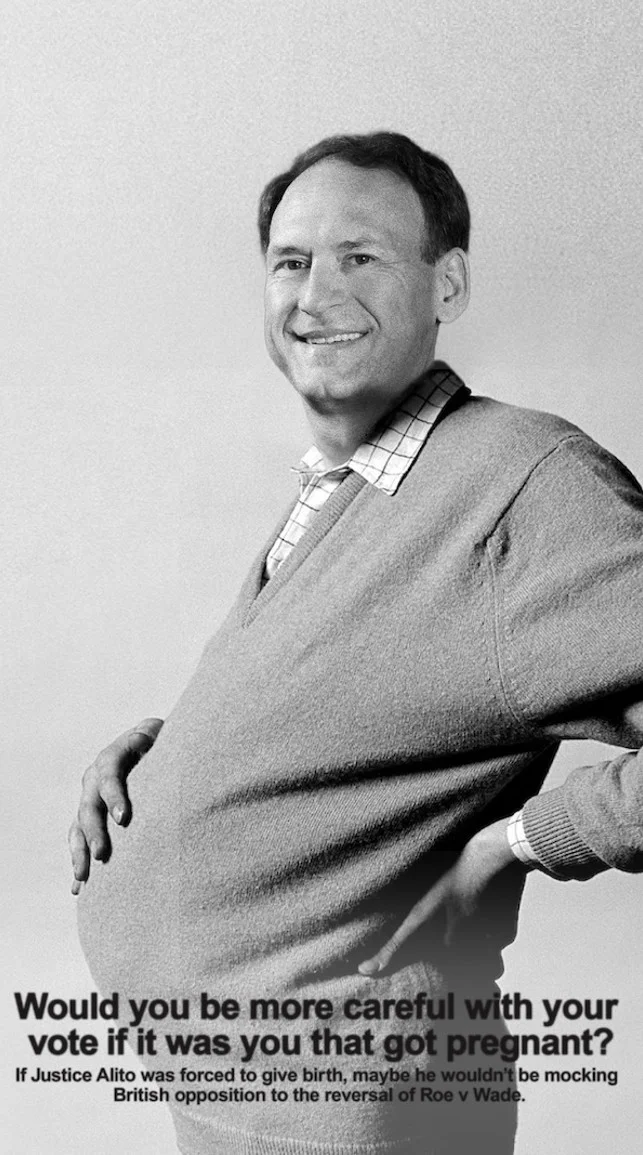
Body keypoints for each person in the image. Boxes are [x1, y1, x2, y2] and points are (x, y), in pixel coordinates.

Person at [70, 132, 643, 1155]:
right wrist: (170, 759)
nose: (315, 294)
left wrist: (519, 841)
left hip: (356, 1111)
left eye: (360, 256)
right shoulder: (346, 480)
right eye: (290, 262)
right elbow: (367, 698)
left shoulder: (524, 485)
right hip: (232, 1092)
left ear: (447, 282)